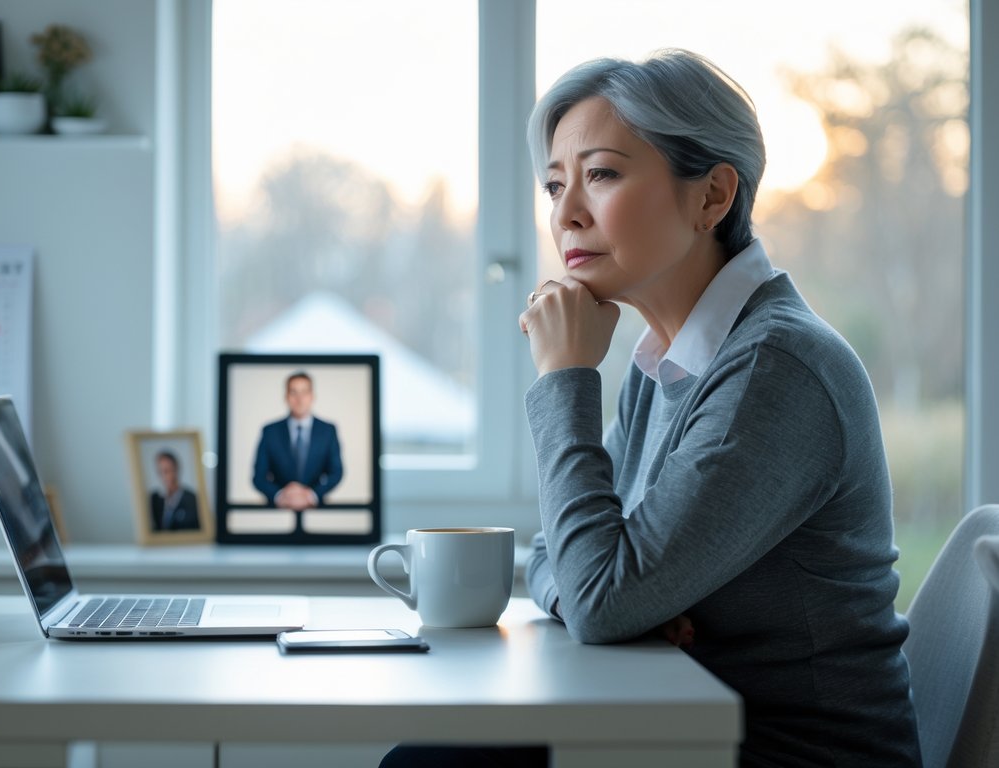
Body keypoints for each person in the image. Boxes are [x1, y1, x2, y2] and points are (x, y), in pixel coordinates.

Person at [383, 49, 920, 768]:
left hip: (785, 755)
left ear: (711, 197)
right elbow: (563, 557)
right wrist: (609, 599)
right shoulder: (663, 359)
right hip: (675, 736)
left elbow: (601, 595)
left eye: (600, 174)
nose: (566, 214)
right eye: (552, 187)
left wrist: (566, 374)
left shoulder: (775, 369)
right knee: (435, 755)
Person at [252, 371, 343, 511]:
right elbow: (258, 476)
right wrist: (280, 495)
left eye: (304, 392)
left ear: (312, 396)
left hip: (317, 512)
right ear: (286, 397)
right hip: (279, 513)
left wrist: (311, 495)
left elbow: (336, 472)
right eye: (293, 392)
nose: (299, 399)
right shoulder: (270, 431)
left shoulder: (328, 430)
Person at [149, 450, 200, 531]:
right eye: (162, 472)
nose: (167, 476)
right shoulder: (154, 499)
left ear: (177, 469)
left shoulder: (192, 499)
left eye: (169, 470)